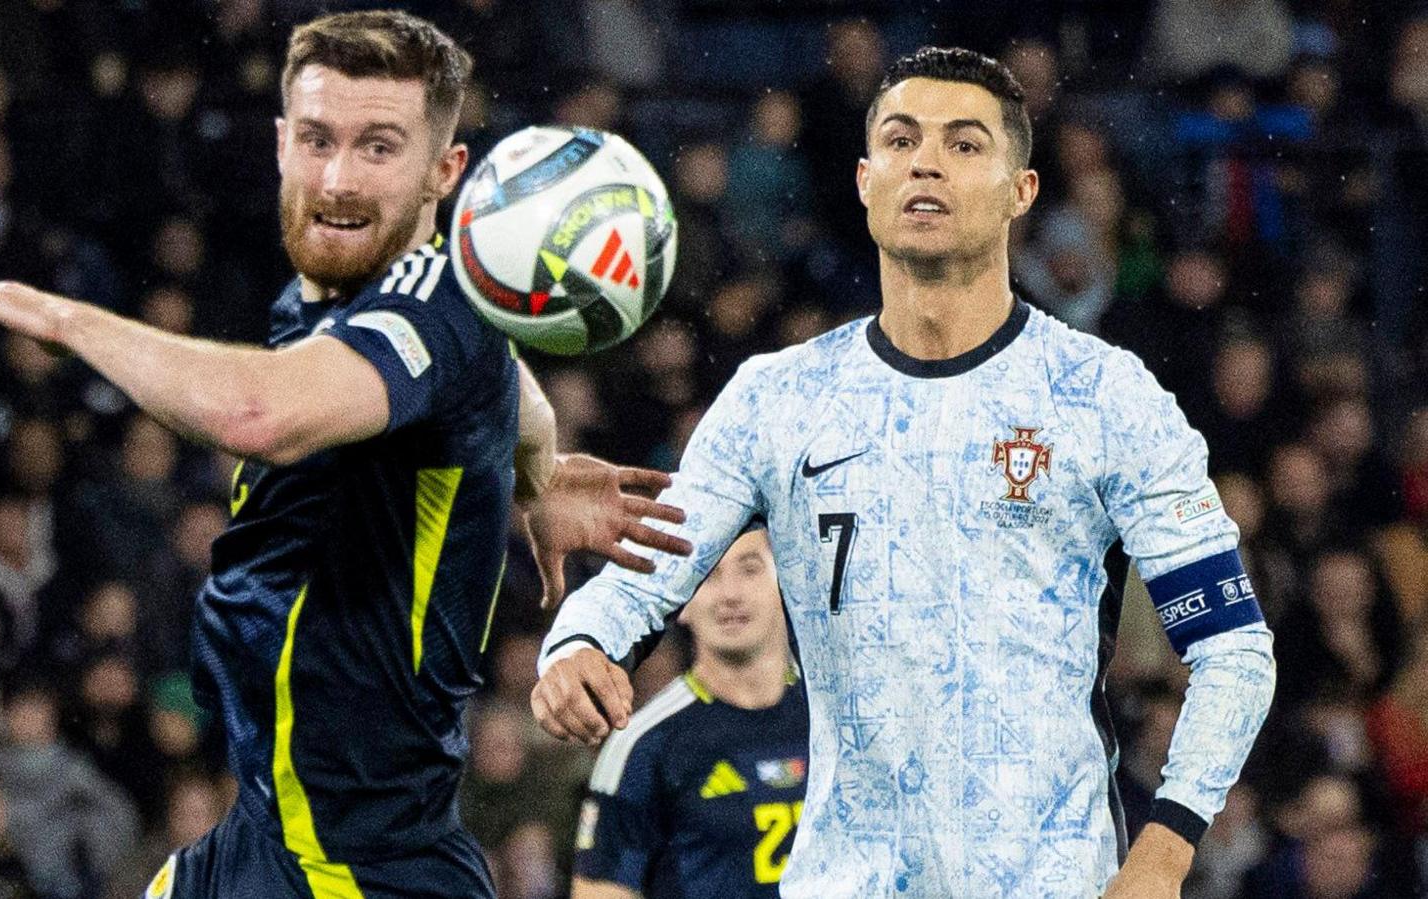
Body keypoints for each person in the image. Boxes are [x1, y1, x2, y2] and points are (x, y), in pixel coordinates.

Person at [0, 10, 689, 899]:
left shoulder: (429, 313)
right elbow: (509, 383)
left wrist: (62, 319)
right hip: (267, 835)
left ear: (446, 173)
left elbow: (258, 414)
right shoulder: (345, 305)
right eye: (318, 139)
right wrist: (538, 473)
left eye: (378, 148)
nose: (338, 178)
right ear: (281, 143)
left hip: (364, 865)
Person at [533, 47, 1277, 898]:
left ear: (1021, 192)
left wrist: (1164, 850)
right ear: (863, 179)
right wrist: (579, 642)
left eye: (964, 145)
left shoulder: (1105, 396)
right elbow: (638, 580)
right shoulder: (778, 399)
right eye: (900, 140)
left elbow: (1232, 648)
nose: (925, 160)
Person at [572, 529, 808, 899]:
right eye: (709, 574)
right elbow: (600, 891)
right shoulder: (644, 745)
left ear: (787, 583)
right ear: (680, 599)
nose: (730, 594)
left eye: (750, 569)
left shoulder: (835, 718)